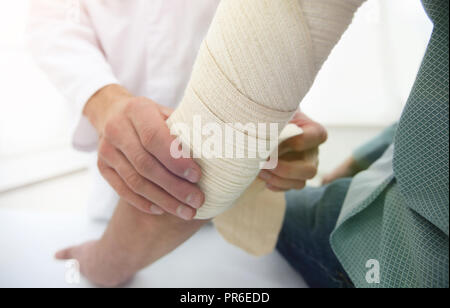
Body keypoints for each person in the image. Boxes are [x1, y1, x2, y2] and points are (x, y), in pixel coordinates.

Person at [29, 0, 448, 288]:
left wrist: (102, 264)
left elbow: (208, 160)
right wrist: (104, 101)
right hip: (130, 191)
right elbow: (51, 21)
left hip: (414, 253)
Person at [27, 0, 326, 286]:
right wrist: (105, 101)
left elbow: (270, 28)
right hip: (115, 207)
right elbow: (52, 23)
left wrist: (277, 114)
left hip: (232, 219)